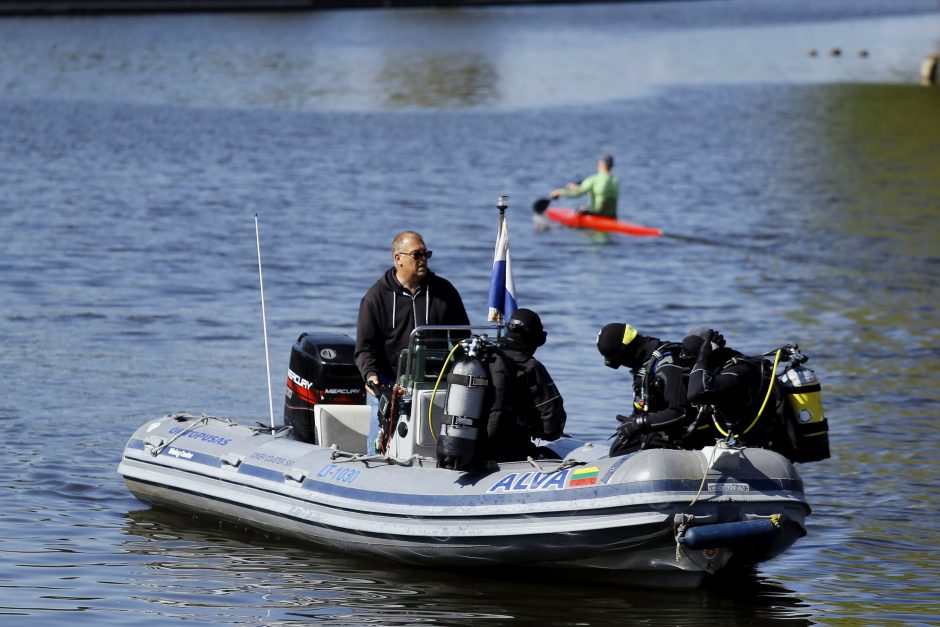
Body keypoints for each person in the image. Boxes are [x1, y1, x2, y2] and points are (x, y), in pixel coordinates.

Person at [355, 231, 469, 391]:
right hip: (391, 384)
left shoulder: (445, 291)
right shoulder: (375, 297)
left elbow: (463, 338)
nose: (423, 259)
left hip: (436, 383)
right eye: (417, 255)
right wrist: (371, 376)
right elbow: (365, 349)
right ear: (398, 258)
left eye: (426, 254)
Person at [595, 322, 714, 456]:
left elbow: (680, 413)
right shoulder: (645, 365)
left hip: (691, 437)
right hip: (666, 431)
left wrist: (638, 424)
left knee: (632, 447)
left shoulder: (667, 363)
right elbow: (650, 409)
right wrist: (631, 422)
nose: (622, 366)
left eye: (617, 362)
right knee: (618, 448)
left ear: (623, 353)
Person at [486, 308, 567, 461]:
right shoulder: (529, 366)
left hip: (474, 447)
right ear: (532, 338)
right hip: (509, 452)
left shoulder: (483, 357)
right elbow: (552, 425)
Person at [684, 327, 777, 448]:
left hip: (757, 446)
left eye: (691, 360)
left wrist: (702, 360)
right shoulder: (716, 367)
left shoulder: (738, 371)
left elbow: (695, 393)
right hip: (730, 438)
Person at [549, 154, 619, 218]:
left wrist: (559, 192)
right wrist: (578, 187)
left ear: (600, 165)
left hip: (596, 214)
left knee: (580, 209)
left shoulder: (594, 179)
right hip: (612, 216)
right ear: (611, 167)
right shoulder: (615, 181)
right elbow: (602, 192)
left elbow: (576, 194)